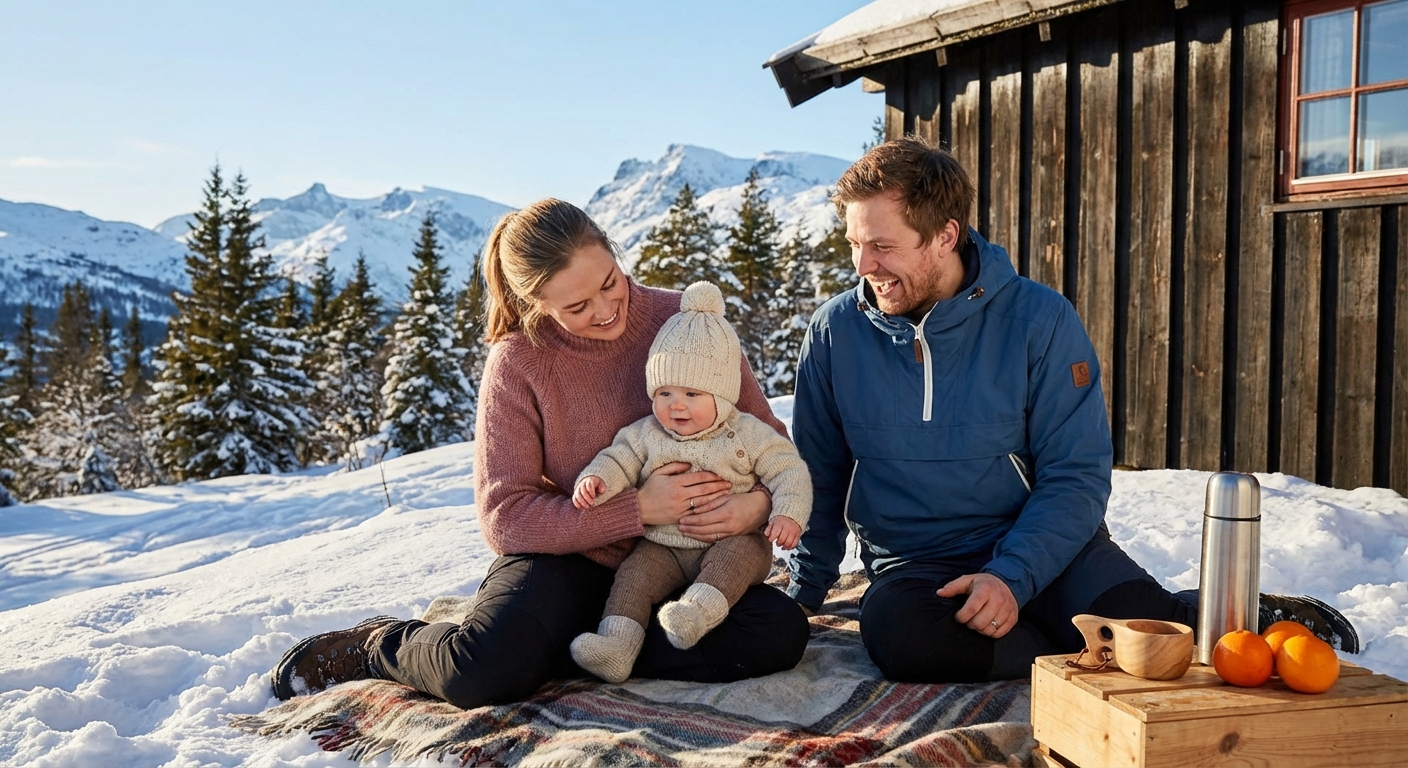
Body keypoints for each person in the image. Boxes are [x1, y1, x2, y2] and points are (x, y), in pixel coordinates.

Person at [786, 137, 1359, 683]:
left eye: (882, 246)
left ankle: (1204, 615)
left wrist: (1011, 578)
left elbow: (1076, 476)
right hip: (919, 566)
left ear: (944, 234)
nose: (863, 265)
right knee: (901, 638)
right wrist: (804, 596)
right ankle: (1088, 645)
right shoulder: (835, 332)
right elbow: (819, 475)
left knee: (1147, 627)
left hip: (1048, 551)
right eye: (854, 244)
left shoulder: (1040, 320)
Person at [270, 199, 809, 708]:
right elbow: (505, 515)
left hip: (686, 563)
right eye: (577, 306)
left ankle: (579, 646)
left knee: (776, 635)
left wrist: (756, 508)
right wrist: (639, 510)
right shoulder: (519, 361)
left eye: (609, 283)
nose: (604, 310)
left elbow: (766, 442)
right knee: (479, 671)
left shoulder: (687, 325)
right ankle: (380, 645)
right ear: (537, 303)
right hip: (571, 562)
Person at [569, 281, 811, 684]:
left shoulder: (747, 433)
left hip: (731, 541)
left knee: (736, 559)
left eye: (692, 393)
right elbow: (619, 458)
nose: (675, 404)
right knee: (632, 579)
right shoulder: (645, 433)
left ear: (723, 393)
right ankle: (617, 646)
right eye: (663, 391)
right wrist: (598, 479)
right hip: (662, 545)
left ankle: (696, 614)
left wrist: (786, 513)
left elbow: (788, 470)